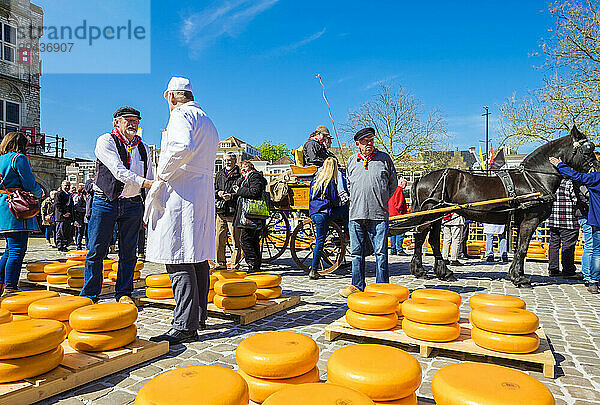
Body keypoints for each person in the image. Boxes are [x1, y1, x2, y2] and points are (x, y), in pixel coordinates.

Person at [146, 77, 218, 344]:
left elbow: (181, 147)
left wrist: (162, 175)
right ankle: (198, 315)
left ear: (172, 97)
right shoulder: (207, 121)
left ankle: (184, 324)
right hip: (200, 190)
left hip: (181, 189)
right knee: (197, 254)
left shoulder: (180, 115)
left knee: (177, 255)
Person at [80, 106, 154, 304]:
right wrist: (145, 183)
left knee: (129, 252)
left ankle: (124, 293)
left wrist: (148, 204)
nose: (132, 124)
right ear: (116, 122)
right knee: (97, 249)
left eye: (136, 120)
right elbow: (118, 170)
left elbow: (150, 176)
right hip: (106, 201)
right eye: (127, 120)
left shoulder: (143, 147)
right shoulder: (106, 141)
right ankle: (90, 295)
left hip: (132, 203)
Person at [340, 127, 398, 297]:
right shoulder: (351, 161)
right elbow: (349, 185)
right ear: (358, 144)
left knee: (381, 254)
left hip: (379, 214)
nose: (369, 144)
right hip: (356, 214)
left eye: (371, 141)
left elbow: (393, 184)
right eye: (365, 142)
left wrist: (381, 198)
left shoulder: (384, 159)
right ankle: (357, 285)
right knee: (357, 253)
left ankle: (382, 287)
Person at [0, 132, 43, 296]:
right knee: (17, 249)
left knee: (9, 250)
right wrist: (39, 193)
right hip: (16, 207)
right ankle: (10, 286)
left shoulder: (0, 159)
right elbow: (29, 183)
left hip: (3, 205)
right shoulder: (18, 158)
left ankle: (1, 283)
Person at [549, 156, 600, 294]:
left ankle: (593, 281)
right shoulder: (576, 182)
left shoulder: (596, 177)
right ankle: (574, 272)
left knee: (595, 251)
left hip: (558, 219)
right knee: (573, 245)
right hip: (569, 220)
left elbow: (576, 176)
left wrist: (560, 165)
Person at [308, 157, 348, 280]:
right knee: (320, 242)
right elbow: (334, 201)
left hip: (314, 212)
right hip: (323, 214)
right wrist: (343, 203)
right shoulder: (330, 181)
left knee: (320, 240)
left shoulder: (316, 180)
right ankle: (313, 270)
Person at [233, 160, 268, 272]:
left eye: (244, 167)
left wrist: (240, 190)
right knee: (253, 240)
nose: (242, 169)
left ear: (250, 167)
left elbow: (255, 192)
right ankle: (255, 265)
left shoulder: (255, 176)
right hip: (250, 214)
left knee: (245, 240)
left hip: (253, 214)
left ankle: (252, 264)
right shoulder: (247, 177)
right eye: (241, 168)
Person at [547, 179, 582, 279]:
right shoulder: (569, 182)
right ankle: (568, 271)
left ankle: (553, 269)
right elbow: (576, 199)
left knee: (553, 245)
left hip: (553, 219)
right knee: (568, 246)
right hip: (568, 220)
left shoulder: (553, 182)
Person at [214, 152, 242, 270]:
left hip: (233, 210)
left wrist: (232, 196)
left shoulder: (240, 175)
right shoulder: (220, 174)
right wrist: (218, 193)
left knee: (235, 240)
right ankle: (220, 263)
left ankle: (235, 264)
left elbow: (242, 191)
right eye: (225, 160)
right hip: (221, 210)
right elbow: (214, 189)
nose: (227, 162)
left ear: (235, 161)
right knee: (219, 239)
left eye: (229, 160)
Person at [574, 183, 593, 286]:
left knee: (590, 246)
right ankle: (588, 275)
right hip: (586, 215)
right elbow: (587, 196)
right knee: (590, 246)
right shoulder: (581, 183)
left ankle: (589, 274)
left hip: (584, 215)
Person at [388, 178, 408, 255]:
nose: (405, 186)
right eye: (405, 184)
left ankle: (393, 249)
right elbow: (399, 202)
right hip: (398, 214)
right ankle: (399, 249)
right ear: (401, 183)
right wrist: (402, 211)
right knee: (400, 231)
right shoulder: (399, 190)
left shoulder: (392, 189)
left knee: (393, 232)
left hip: (391, 213)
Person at [54, 180, 73, 252]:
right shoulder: (59, 194)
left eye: (68, 186)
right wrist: (64, 213)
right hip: (61, 217)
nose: (67, 187)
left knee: (66, 232)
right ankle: (60, 246)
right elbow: (57, 205)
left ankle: (64, 245)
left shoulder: (69, 195)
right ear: (62, 185)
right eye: (66, 185)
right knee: (60, 232)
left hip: (68, 217)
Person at [72, 184, 86, 250]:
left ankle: (78, 244)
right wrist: (86, 209)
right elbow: (77, 207)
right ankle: (78, 245)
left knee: (80, 232)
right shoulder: (78, 197)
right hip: (79, 217)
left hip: (81, 217)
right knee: (79, 232)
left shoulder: (82, 196)